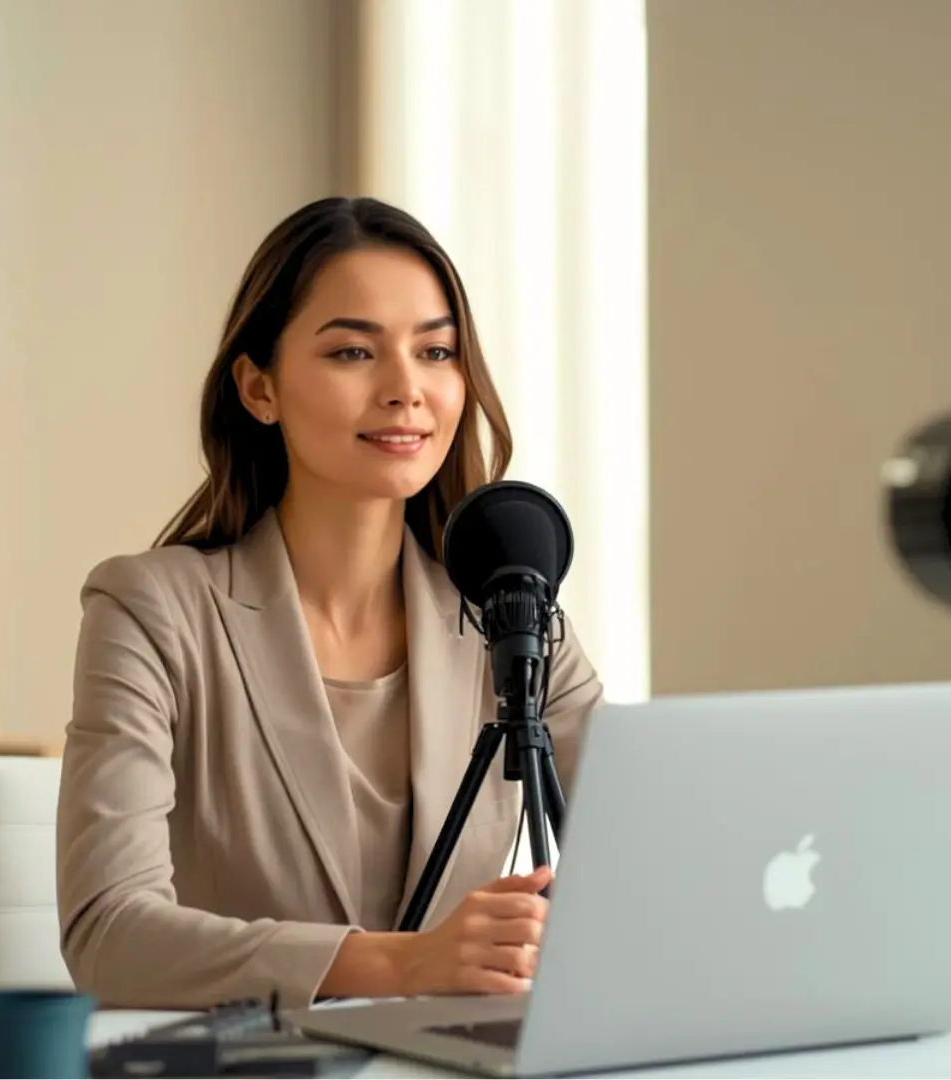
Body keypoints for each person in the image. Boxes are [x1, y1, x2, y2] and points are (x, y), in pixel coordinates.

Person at [55, 197, 603, 1010]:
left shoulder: (510, 615)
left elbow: (652, 844)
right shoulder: (150, 612)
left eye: (436, 351)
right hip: (254, 1064)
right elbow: (109, 936)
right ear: (259, 387)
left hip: (446, 1062)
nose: (406, 389)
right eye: (353, 351)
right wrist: (402, 964)